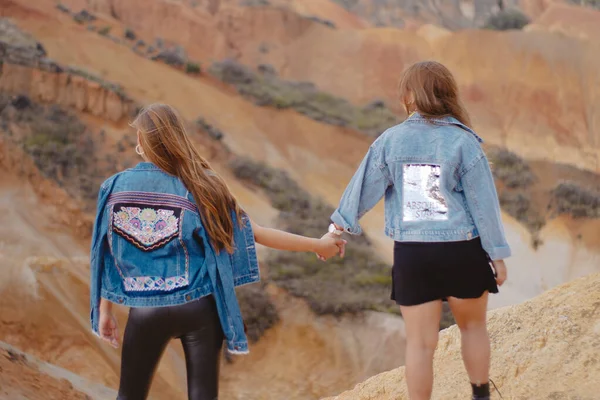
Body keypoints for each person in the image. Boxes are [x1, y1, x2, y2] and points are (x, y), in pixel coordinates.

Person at [89, 103, 345, 400]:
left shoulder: (115, 188)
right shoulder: (202, 185)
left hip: (147, 310)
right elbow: (256, 233)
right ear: (177, 140)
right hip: (199, 306)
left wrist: (105, 310)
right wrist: (318, 244)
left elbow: (107, 252)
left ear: (143, 143)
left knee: (129, 396)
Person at [326, 61, 510, 400]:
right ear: (446, 94)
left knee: (421, 345)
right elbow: (484, 206)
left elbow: (362, 190)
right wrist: (497, 256)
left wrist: (336, 229)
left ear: (409, 96)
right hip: (462, 250)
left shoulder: (390, 141)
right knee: (473, 328)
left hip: (413, 255)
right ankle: (481, 396)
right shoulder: (464, 142)